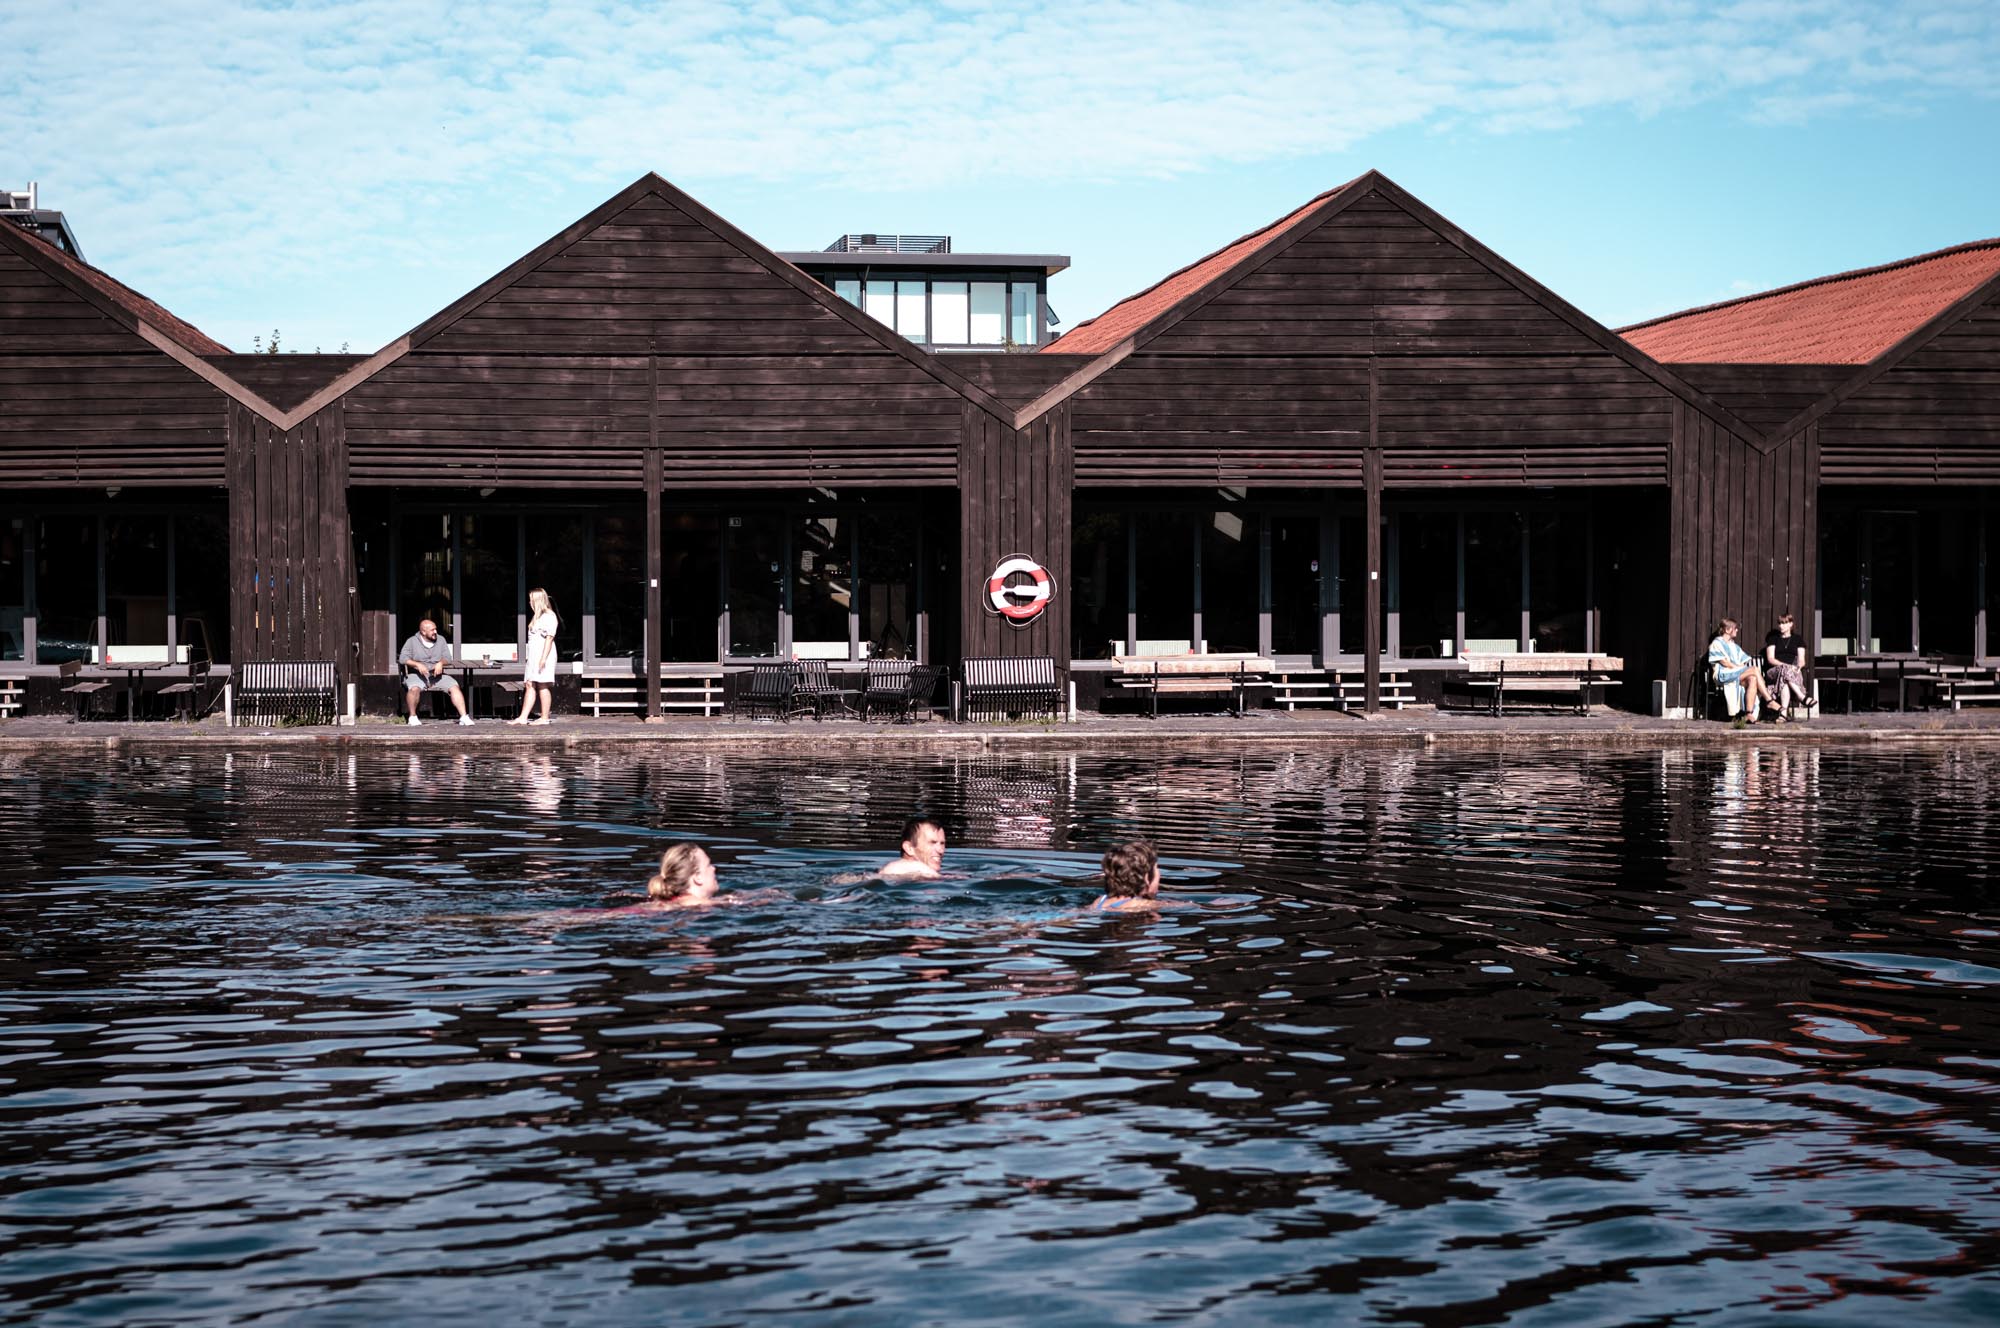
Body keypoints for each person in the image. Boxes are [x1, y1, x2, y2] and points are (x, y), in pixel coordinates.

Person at [400, 618, 473, 726]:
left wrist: (440, 663)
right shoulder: (411, 641)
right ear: (423, 632)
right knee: (414, 688)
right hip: (417, 675)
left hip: (437, 675)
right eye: (432, 630)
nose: (435, 632)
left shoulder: (441, 640)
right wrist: (417, 664)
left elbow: (448, 658)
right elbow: (403, 658)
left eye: (436, 629)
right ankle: (413, 717)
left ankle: (464, 716)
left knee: (454, 687)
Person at [1708, 617, 1778, 725]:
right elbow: (1724, 663)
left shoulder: (1734, 646)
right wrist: (1739, 668)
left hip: (1735, 674)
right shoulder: (1716, 644)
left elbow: (1743, 662)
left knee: (1752, 679)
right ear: (1727, 630)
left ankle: (1749, 714)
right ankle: (1769, 700)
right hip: (1723, 674)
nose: (1737, 630)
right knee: (1754, 669)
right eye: (1735, 628)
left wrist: (1740, 668)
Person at [510, 587, 560, 726]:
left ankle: (544, 717)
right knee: (530, 684)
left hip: (543, 655)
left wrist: (543, 659)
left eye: (531, 599)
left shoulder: (549, 616)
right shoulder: (537, 616)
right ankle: (523, 717)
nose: (529, 602)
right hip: (534, 655)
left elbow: (549, 639)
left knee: (542, 684)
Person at [1764, 612, 1816, 716]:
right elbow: (1771, 659)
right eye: (1780, 623)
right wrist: (1786, 666)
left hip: (1792, 673)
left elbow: (1801, 660)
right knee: (1784, 670)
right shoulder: (1773, 639)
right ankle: (1801, 697)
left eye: (1784, 623)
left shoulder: (1798, 639)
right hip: (1774, 672)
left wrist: (1798, 667)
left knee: (1785, 680)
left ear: (1790, 624)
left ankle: (1783, 714)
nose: (1781, 626)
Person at [1091, 840, 1161, 911]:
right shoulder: (1148, 905)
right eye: (1157, 869)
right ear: (1147, 877)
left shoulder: (1099, 901)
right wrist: (1151, 898)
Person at [647, 842, 720, 906]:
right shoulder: (702, 904)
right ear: (698, 877)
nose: (714, 868)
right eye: (708, 865)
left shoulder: (664, 901)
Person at [877, 816, 946, 879]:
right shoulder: (895, 869)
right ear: (909, 848)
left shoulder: (922, 872)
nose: (940, 850)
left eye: (942, 843)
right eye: (932, 843)